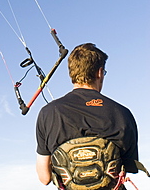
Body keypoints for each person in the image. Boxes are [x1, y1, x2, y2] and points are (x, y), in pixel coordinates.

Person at [36, 43, 139, 189]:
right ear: (100, 72)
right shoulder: (122, 113)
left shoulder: (47, 113)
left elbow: (44, 177)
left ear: (71, 73)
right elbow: (128, 168)